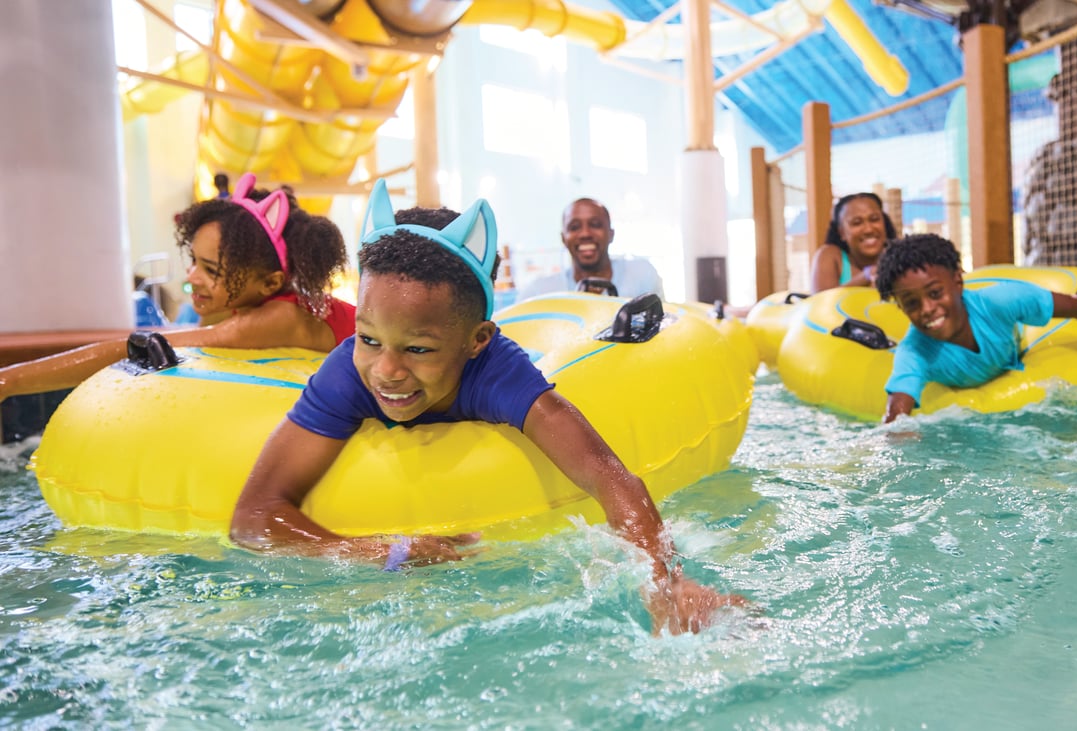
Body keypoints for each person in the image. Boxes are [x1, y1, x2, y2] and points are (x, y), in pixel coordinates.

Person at [229, 181, 747, 635]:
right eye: (368, 338)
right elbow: (253, 517)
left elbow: (608, 476)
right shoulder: (347, 372)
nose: (386, 370)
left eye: (418, 348)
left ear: (477, 340)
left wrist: (665, 582)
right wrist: (377, 549)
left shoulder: (497, 370)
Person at [0, 173, 353, 404]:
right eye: (194, 261)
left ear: (270, 283)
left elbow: (138, 348)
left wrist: (9, 381)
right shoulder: (249, 304)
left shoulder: (280, 316)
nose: (193, 277)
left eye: (212, 269)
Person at [875, 233, 1077, 424]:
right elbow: (895, 415)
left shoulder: (1000, 301)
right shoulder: (914, 352)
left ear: (957, 281)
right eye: (912, 303)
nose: (927, 309)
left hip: (1016, 350)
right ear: (900, 307)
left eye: (935, 293)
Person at [515, 198, 664, 301]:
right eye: (574, 227)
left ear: (611, 234)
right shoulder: (540, 293)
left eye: (595, 224)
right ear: (563, 238)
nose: (585, 234)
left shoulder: (642, 276)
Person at [810, 192, 897, 293]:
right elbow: (821, 301)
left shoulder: (899, 256)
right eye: (857, 223)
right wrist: (866, 276)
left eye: (874, 219)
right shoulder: (830, 255)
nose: (868, 229)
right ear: (842, 232)